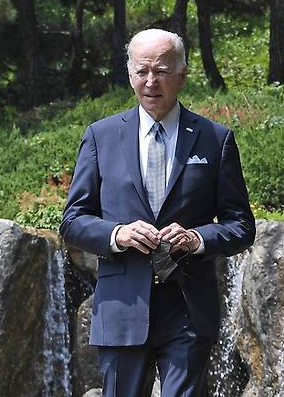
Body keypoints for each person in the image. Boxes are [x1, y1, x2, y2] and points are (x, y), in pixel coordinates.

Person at [61, 28, 255, 397]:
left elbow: (241, 225)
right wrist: (117, 235)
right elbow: (72, 221)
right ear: (130, 74)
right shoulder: (101, 136)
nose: (151, 82)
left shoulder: (216, 138)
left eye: (162, 71)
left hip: (187, 307)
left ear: (182, 75)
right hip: (122, 306)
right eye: (142, 71)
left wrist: (198, 238)